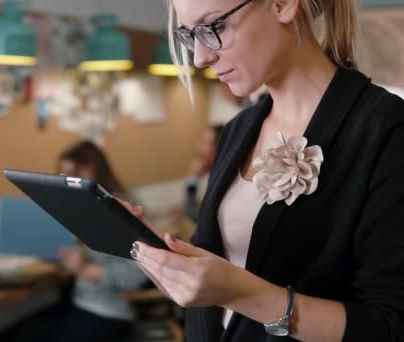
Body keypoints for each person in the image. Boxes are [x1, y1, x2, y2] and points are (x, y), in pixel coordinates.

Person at [122, 0, 404, 341]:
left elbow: (390, 327)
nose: (200, 58)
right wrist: (151, 253)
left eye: (213, 27)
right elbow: (210, 294)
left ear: (282, 4)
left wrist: (240, 293)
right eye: (189, 35)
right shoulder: (239, 130)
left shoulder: (385, 129)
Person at [0, 141, 147, 342]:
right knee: (7, 337)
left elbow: (136, 275)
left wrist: (83, 270)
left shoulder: (119, 209)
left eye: (73, 174)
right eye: (61, 175)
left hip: (107, 311)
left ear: (95, 171)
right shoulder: (81, 209)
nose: (65, 180)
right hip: (80, 303)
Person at [182, 124, 223, 223]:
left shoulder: (219, 179)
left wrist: (192, 179)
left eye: (206, 142)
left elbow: (194, 215)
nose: (199, 147)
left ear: (218, 147)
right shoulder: (210, 175)